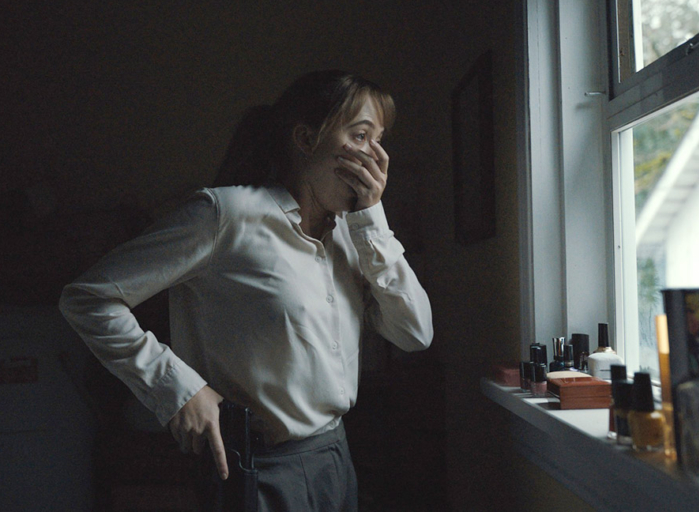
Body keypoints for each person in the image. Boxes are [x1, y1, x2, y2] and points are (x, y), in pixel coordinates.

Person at [59, 70, 434, 511]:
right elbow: (88, 298)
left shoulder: (356, 238)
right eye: (361, 136)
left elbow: (415, 333)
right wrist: (178, 388)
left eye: (380, 140)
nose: (377, 158)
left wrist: (371, 220)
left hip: (336, 459)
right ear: (306, 139)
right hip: (258, 470)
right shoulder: (226, 215)